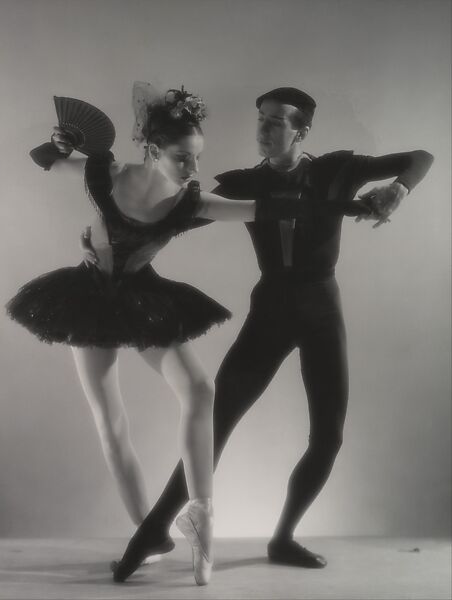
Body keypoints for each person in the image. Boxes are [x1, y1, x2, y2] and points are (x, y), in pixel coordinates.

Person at [7, 85, 371, 586]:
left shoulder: (189, 202)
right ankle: (148, 531)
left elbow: (270, 209)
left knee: (200, 390)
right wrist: (62, 141)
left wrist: (353, 209)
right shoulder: (103, 173)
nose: (193, 170)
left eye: (197, 159)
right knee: (110, 424)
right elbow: (44, 160)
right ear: (154, 150)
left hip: (142, 300)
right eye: (184, 159)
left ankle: (199, 516)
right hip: (86, 299)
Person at [99, 87, 434, 583]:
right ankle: (153, 530)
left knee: (329, 435)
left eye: (277, 121)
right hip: (271, 310)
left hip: (322, 308)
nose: (264, 127)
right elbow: (169, 211)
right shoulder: (239, 183)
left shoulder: (337, 168)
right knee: (215, 424)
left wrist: (398, 189)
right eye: (261, 118)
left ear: (301, 131)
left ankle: (283, 537)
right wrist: (108, 245)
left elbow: (419, 157)